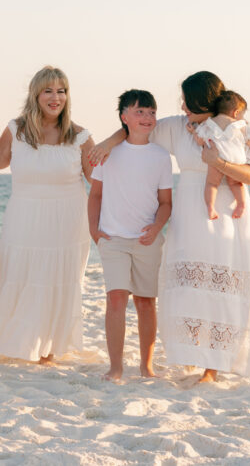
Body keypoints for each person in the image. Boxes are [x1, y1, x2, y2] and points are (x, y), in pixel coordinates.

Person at [91, 71, 250, 383]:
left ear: (204, 100)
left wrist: (219, 162)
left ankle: (214, 367)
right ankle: (199, 357)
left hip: (229, 214)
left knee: (219, 286)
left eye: (188, 101)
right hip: (190, 214)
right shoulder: (176, 128)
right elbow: (136, 131)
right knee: (192, 288)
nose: (183, 107)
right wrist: (105, 143)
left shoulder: (236, 128)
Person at [0, 66, 95, 363]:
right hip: (24, 218)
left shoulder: (80, 136)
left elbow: (100, 181)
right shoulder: (17, 130)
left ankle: (47, 347)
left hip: (69, 222)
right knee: (22, 277)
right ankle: (19, 343)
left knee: (57, 280)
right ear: (35, 94)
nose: (55, 97)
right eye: (48, 90)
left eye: (61, 91)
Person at [87, 89, 173, 381]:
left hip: (147, 240)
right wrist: (93, 231)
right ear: (124, 117)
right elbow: (95, 195)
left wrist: (157, 227)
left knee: (146, 302)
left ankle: (146, 366)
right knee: (115, 299)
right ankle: (115, 367)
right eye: (139, 112)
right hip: (112, 238)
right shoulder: (108, 153)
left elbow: (166, 202)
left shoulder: (161, 156)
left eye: (151, 112)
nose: (147, 117)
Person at [188, 90, 250, 220]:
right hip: (235, 160)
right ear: (236, 112)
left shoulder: (208, 123)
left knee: (212, 184)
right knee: (236, 183)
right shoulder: (241, 125)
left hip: (217, 156)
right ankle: (241, 205)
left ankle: (210, 207)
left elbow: (199, 140)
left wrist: (193, 132)